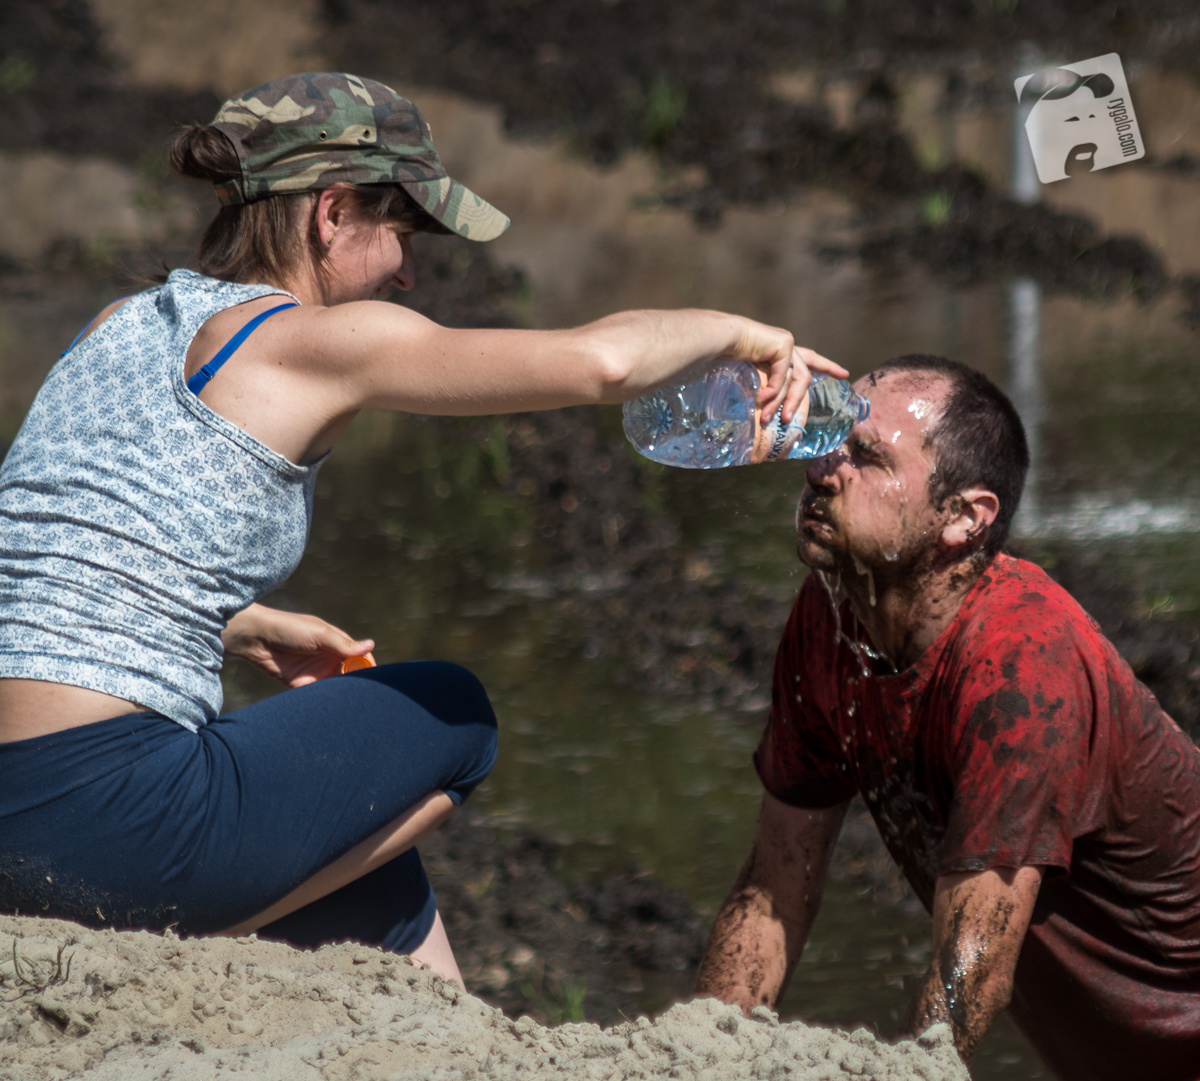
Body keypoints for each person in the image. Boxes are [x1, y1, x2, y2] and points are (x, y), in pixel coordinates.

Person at [0, 72, 845, 985]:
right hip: (105, 827)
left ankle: (447, 1024)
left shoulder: (115, 324)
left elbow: (43, 549)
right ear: (332, 213)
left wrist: (232, 624)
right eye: (403, 230)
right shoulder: (308, 341)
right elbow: (600, 363)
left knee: (351, 820)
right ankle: (198, 930)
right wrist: (747, 334)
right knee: (455, 711)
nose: (407, 272)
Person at [695, 355, 1200, 1080]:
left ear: (964, 518)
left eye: (865, 455)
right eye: (826, 440)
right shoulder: (832, 616)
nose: (820, 468)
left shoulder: (1020, 664)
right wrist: (700, 1058)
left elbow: (973, 967)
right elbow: (774, 886)